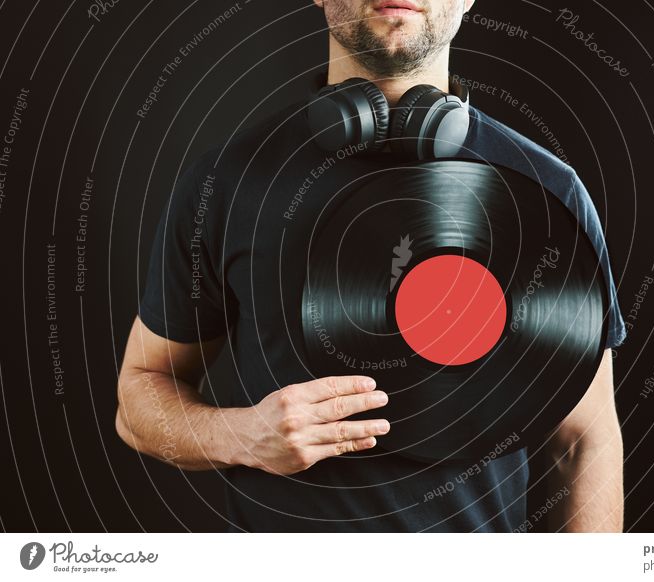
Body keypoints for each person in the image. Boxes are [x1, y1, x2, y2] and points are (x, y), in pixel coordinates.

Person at [115, 0, 626, 532]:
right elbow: (139, 398)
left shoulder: (550, 192)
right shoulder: (225, 183)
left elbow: (583, 441)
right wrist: (242, 436)